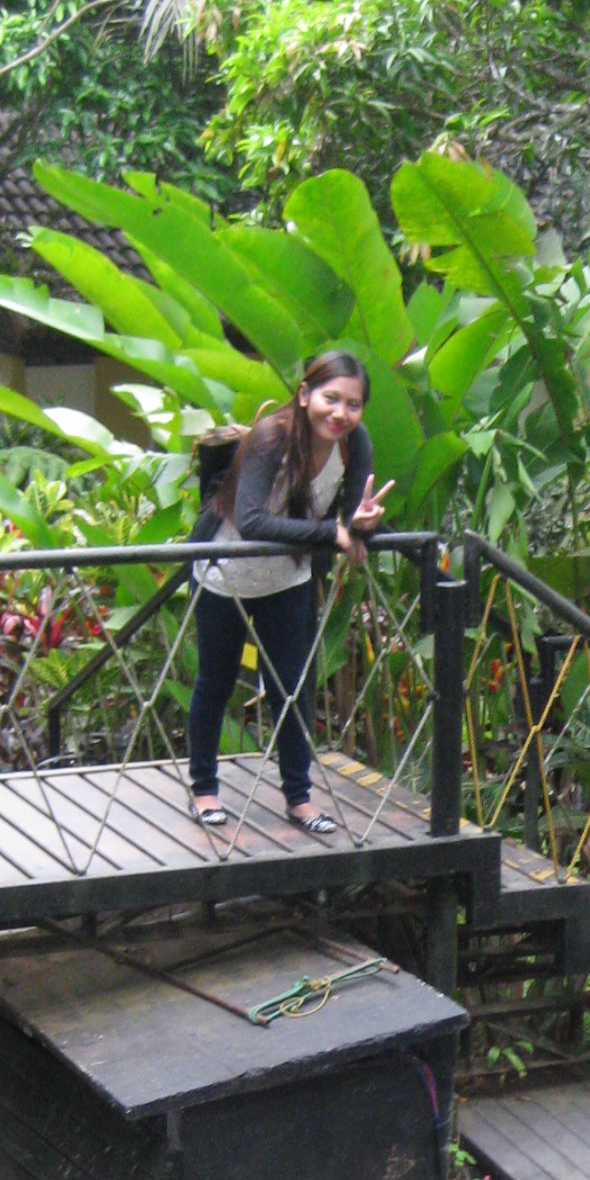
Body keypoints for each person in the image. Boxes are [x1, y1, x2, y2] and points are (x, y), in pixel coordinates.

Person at [187, 350, 387, 830]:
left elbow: (352, 517)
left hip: (288, 578)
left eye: (353, 404)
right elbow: (251, 520)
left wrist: (363, 524)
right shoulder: (270, 438)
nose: (340, 413)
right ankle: (205, 791)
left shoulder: (354, 443)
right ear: (304, 395)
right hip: (227, 575)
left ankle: (300, 800)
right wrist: (331, 533)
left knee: (292, 690)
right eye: (330, 398)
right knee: (216, 683)